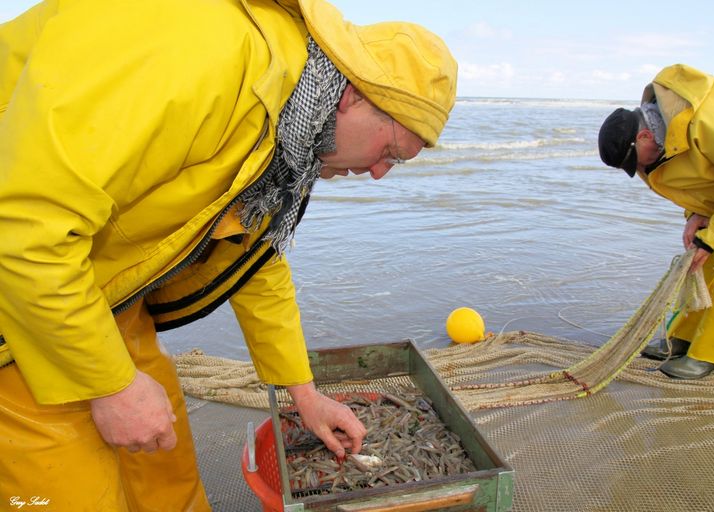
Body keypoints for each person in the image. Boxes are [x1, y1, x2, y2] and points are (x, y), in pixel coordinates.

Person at [0, 0, 457, 509]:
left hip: (94, 284)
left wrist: (302, 394)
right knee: (68, 481)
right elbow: (22, 228)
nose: (379, 173)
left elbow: (253, 256)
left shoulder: (295, 122)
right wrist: (111, 387)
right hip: (20, 283)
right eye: (390, 152)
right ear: (353, 95)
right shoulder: (198, 56)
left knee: (161, 457)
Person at [598, 64, 714, 381]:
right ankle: (686, 339)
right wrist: (697, 215)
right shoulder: (668, 135)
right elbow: (712, 177)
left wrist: (711, 238)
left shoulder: (708, 121)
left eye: (635, 161)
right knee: (708, 261)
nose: (640, 170)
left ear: (645, 135)